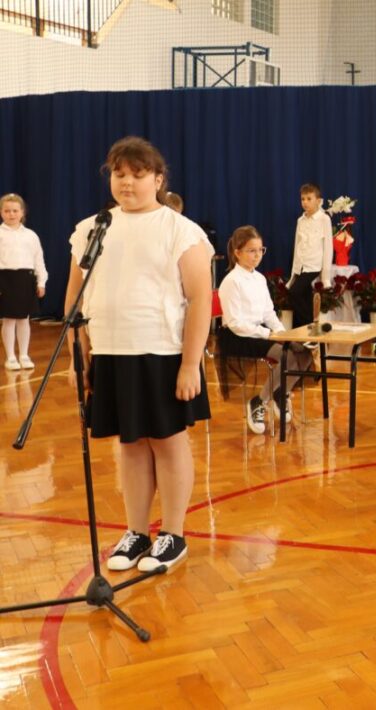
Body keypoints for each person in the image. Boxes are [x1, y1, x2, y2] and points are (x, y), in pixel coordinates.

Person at [64, 136, 212, 573]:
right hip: (110, 352)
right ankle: (136, 532)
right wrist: (78, 358)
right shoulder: (91, 229)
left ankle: (173, 534)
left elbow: (201, 300)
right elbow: (75, 300)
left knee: (167, 442)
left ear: (158, 179)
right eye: (119, 174)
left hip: (162, 353)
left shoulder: (181, 230)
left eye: (137, 174)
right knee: (129, 444)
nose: (126, 182)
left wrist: (190, 363)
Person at [217, 225, 313, 434]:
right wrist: (269, 335)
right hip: (238, 336)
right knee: (287, 356)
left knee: (304, 353)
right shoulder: (231, 281)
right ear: (237, 253)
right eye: (251, 251)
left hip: (260, 333)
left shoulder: (259, 279)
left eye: (260, 250)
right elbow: (236, 323)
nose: (257, 255)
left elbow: (269, 313)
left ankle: (280, 393)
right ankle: (259, 401)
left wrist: (283, 334)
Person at [0, 193, 47, 370]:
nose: (11, 214)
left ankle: (24, 355)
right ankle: (11, 357)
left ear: (22, 212)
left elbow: (38, 260)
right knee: (9, 319)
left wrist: (41, 282)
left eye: (15, 210)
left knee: (24, 319)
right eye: (7, 211)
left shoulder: (31, 235)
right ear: (1, 212)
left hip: (26, 279)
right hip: (5, 279)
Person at [287, 183, 332, 328]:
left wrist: (325, 277)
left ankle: (311, 325)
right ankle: (307, 332)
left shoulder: (324, 219)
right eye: (302, 199)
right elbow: (297, 246)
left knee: (294, 292)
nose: (305, 202)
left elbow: (328, 248)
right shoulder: (300, 221)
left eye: (309, 199)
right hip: (301, 266)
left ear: (318, 201)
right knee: (305, 297)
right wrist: (294, 272)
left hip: (314, 265)